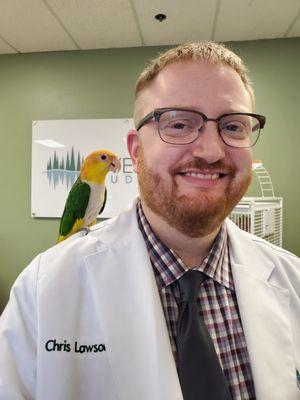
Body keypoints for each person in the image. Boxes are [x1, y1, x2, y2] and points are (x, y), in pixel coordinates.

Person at [0, 42, 299, 400]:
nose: (210, 151)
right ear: (136, 150)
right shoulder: (42, 289)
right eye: (179, 123)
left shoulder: (292, 280)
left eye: (233, 126)